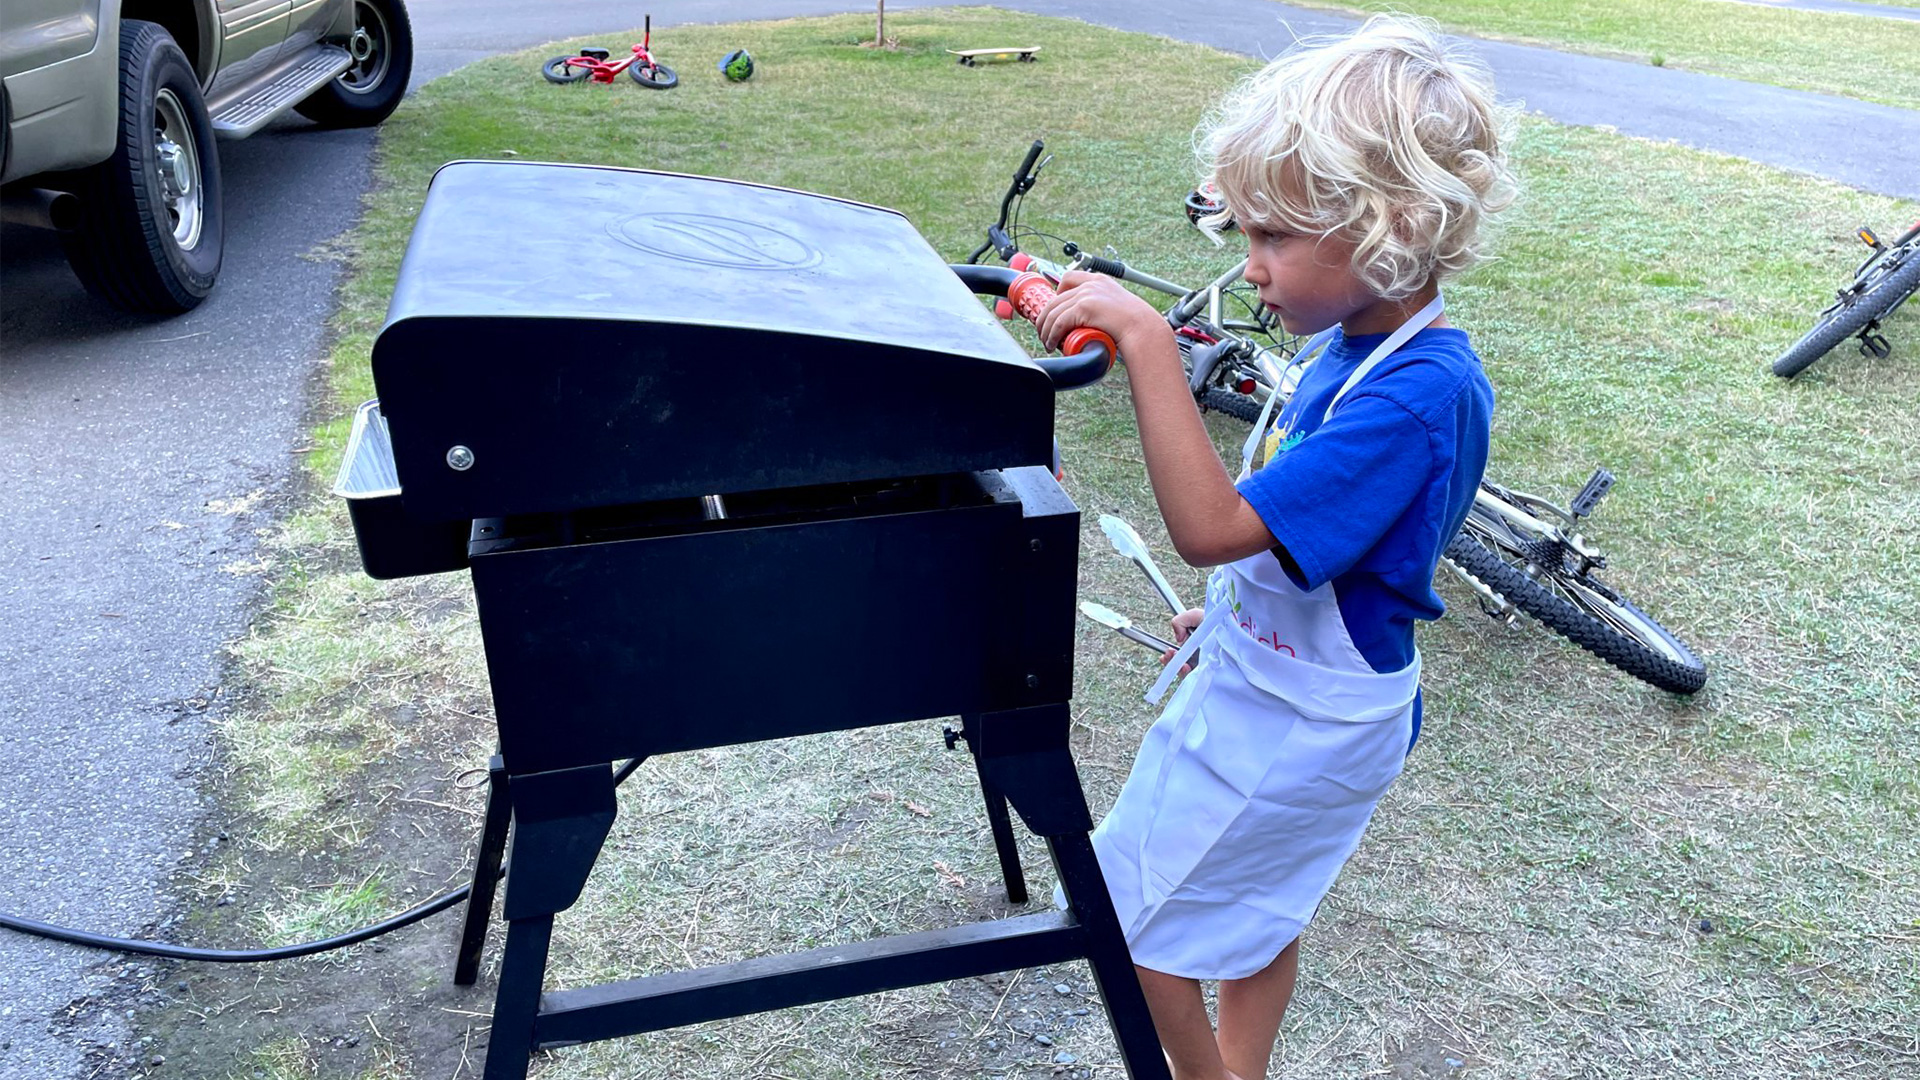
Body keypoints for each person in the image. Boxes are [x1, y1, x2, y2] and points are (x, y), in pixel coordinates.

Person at [1034, 15, 1517, 1079]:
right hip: (1273, 678)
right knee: (1256, 910)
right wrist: (1237, 612)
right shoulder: (1358, 344)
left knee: (1127, 920)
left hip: (1305, 722)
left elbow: (1211, 529)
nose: (1251, 269)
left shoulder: (1417, 395)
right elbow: (1306, 536)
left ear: (1390, 228)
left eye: (1274, 239)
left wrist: (1147, 340)